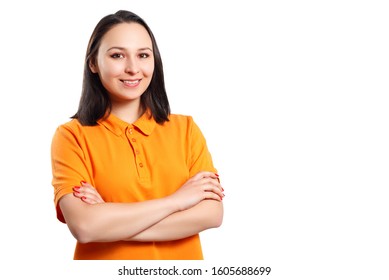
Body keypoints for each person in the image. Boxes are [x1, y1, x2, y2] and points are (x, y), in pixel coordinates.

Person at [50, 10, 224, 260]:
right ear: (93, 63)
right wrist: (177, 201)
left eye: (143, 55)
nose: (133, 68)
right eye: (117, 55)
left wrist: (109, 223)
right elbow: (85, 227)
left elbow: (212, 214)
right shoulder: (71, 136)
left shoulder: (186, 130)